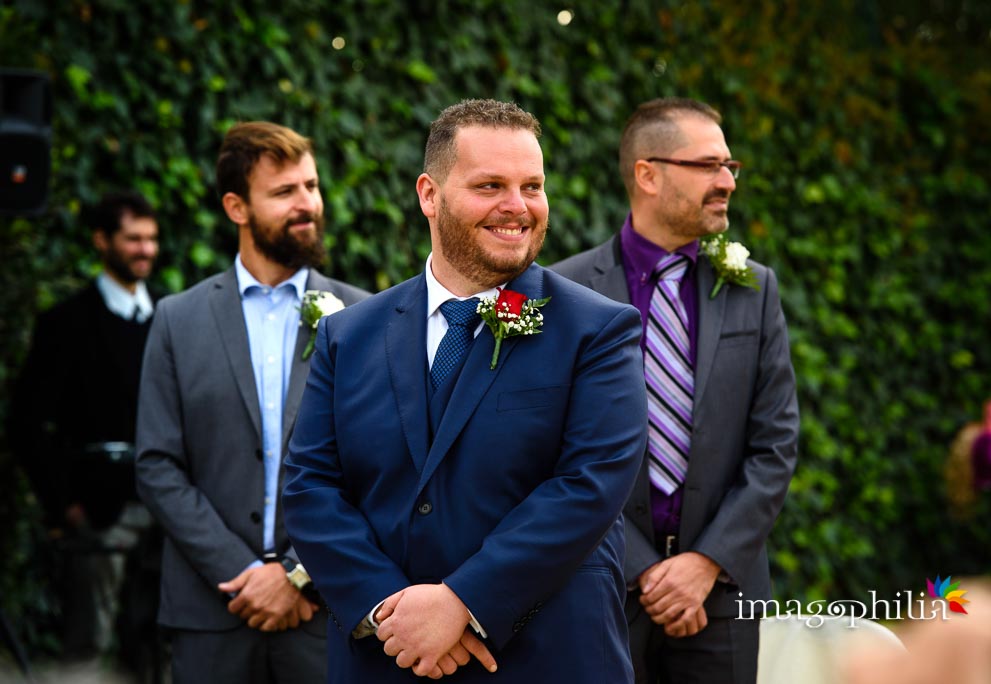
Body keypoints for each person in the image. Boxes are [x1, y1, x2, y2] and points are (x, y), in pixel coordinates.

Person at [282, 99, 649, 683]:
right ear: (429, 194)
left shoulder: (598, 330)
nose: (518, 207)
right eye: (490, 185)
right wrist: (387, 611)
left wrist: (461, 602)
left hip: (546, 659)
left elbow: (589, 485)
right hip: (387, 660)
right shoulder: (348, 334)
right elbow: (310, 487)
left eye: (532, 186)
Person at [551, 97, 799, 684]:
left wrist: (705, 563)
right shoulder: (565, 291)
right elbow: (551, 451)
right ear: (648, 173)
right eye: (709, 166)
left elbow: (776, 444)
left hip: (723, 595)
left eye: (731, 167)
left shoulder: (753, 289)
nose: (727, 182)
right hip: (601, 584)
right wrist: (644, 568)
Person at [134, 121, 370, 683]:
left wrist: (295, 575)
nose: (307, 203)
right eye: (284, 192)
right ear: (236, 207)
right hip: (211, 609)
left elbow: (376, 467)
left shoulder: (363, 318)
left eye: (311, 187)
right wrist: (241, 571)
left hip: (323, 613)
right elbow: (157, 465)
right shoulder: (177, 319)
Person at [9, 189, 162, 664]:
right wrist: (64, 506)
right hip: (96, 510)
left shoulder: (171, 317)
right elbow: (26, 423)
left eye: (151, 239)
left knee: (161, 647)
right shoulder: (65, 322)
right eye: (133, 238)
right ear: (102, 240)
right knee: (87, 645)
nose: (146, 250)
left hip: (166, 507)